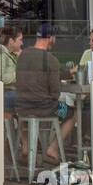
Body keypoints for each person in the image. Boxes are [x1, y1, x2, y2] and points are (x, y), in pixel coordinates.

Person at [14, 23, 74, 164]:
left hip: (21, 107)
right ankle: (52, 148)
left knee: (25, 116)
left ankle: (26, 146)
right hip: (45, 108)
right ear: (51, 38)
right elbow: (55, 92)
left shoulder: (23, 55)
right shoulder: (51, 59)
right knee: (72, 114)